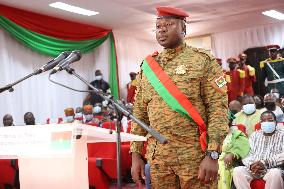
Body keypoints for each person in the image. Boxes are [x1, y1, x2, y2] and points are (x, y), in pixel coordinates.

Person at [130, 6, 228, 188]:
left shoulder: (203, 61)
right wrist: (135, 154)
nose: (162, 29)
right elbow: (139, 114)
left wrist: (213, 154)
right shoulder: (148, 67)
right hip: (159, 159)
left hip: (195, 158)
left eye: (169, 24)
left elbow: (218, 109)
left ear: (183, 28)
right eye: (158, 26)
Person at [233, 111, 284, 189]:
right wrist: (251, 165)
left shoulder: (282, 135)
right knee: (238, 170)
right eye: (264, 121)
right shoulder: (254, 135)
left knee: (275, 173)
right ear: (260, 123)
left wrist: (266, 162)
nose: (267, 122)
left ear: (276, 122)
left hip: (271, 168)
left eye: (270, 120)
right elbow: (247, 153)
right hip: (253, 169)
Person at [218, 119, 249, 189]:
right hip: (212, 159)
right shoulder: (212, 135)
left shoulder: (236, 134)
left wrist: (232, 154)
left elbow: (242, 147)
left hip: (229, 162)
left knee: (221, 166)